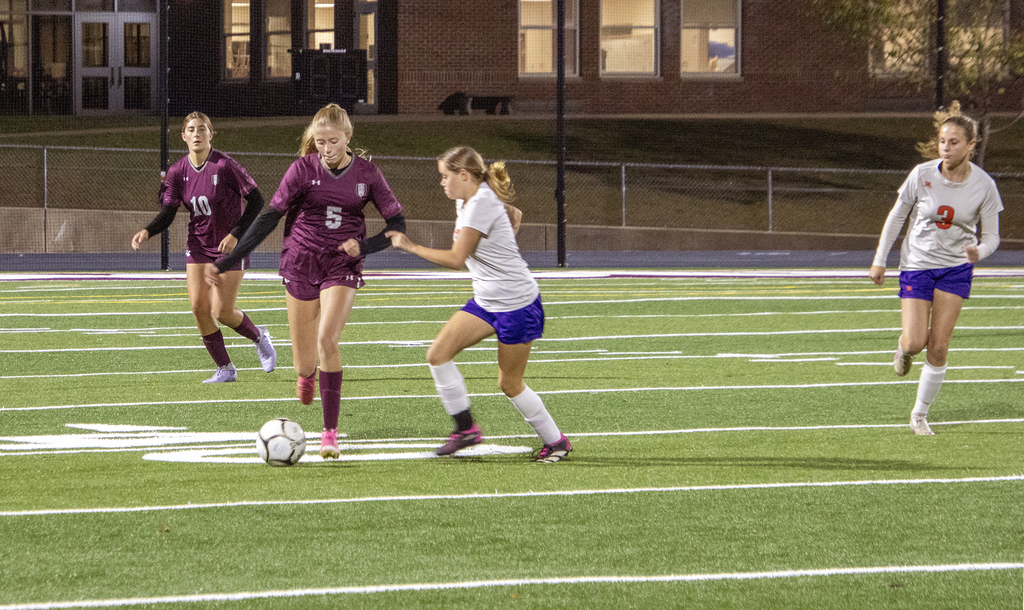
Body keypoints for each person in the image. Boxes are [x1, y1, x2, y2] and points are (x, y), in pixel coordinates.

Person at [205, 103, 406, 459]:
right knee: (303, 363)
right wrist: (228, 260)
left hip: (342, 264)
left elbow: (397, 226)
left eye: (332, 141)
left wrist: (364, 246)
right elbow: (269, 218)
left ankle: (330, 433)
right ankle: (306, 374)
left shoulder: (368, 175)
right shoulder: (302, 169)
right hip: (300, 260)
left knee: (328, 338)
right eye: (319, 142)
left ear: (348, 137)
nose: (325, 149)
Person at [387, 145, 572, 463]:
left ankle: (556, 442)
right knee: (438, 355)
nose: (442, 183)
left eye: (445, 177)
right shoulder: (469, 197)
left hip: (517, 305)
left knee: (509, 383)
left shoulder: (478, 205)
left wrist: (411, 246)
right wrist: (508, 218)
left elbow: (457, 259)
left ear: (463, 174)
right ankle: (466, 430)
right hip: (487, 300)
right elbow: (515, 213)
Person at [869, 113, 1002, 435]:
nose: (945, 148)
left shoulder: (984, 185)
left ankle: (919, 415)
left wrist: (979, 252)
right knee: (916, 341)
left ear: (971, 145)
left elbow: (993, 237)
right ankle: (902, 350)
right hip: (917, 263)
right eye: (942, 141)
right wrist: (880, 259)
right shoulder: (921, 174)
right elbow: (897, 216)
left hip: (955, 269)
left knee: (939, 347)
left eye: (954, 142)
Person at [131, 111, 276, 384]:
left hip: (230, 247)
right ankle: (225, 368)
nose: (197, 134)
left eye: (202, 129)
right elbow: (169, 212)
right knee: (198, 307)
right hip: (197, 245)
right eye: (191, 130)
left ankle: (259, 336)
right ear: (183, 136)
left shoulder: (225, 166)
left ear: (211, 134)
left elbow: (257, 201)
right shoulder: (177, 172)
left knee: (221, 311)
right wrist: (147, 231)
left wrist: (235, 234)